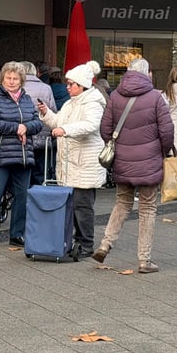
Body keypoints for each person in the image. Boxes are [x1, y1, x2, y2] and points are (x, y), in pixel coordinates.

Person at [94, 57, 174, 274]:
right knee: (147, 208)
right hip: (149, 162)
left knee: (122, 203)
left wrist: (118, 147)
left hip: (123, 160)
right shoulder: (156, 97)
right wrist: (162, 153)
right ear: (147, 73)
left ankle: (105, 244)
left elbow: (105, 129)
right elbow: (167, 132)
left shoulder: (116, 95)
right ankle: (144, 260)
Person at [37, 60, 107, 258]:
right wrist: (46, 114)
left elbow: (90, 125)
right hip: (71, 162)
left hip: (85, 162)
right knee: (74, 205)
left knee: (82, 206)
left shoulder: (93, 102)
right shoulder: (70, 103)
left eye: (71, 84)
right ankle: (78, 240)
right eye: (68, 83)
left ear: (82, 85)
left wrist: (65, 130)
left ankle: (86, 243)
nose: (67, 87)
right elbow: (58, 122)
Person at [0, 62, 43, 248]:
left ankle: (17, 234)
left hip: (22, 155)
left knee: (22, 195)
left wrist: (26, 127)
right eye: (8, 78)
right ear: (2, 79)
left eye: (15, 79)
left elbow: (37, 123)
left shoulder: (26, 99)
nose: (11, 82)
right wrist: (17, 128)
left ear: (21, 80)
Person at [23, 61, 58, 184]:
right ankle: (39, 200)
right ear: (35, 72)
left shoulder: (17, 88)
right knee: (41, 172)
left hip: (24, 137)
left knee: (24, 173)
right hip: (43, 137)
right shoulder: (46, 88)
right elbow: (53, 111)